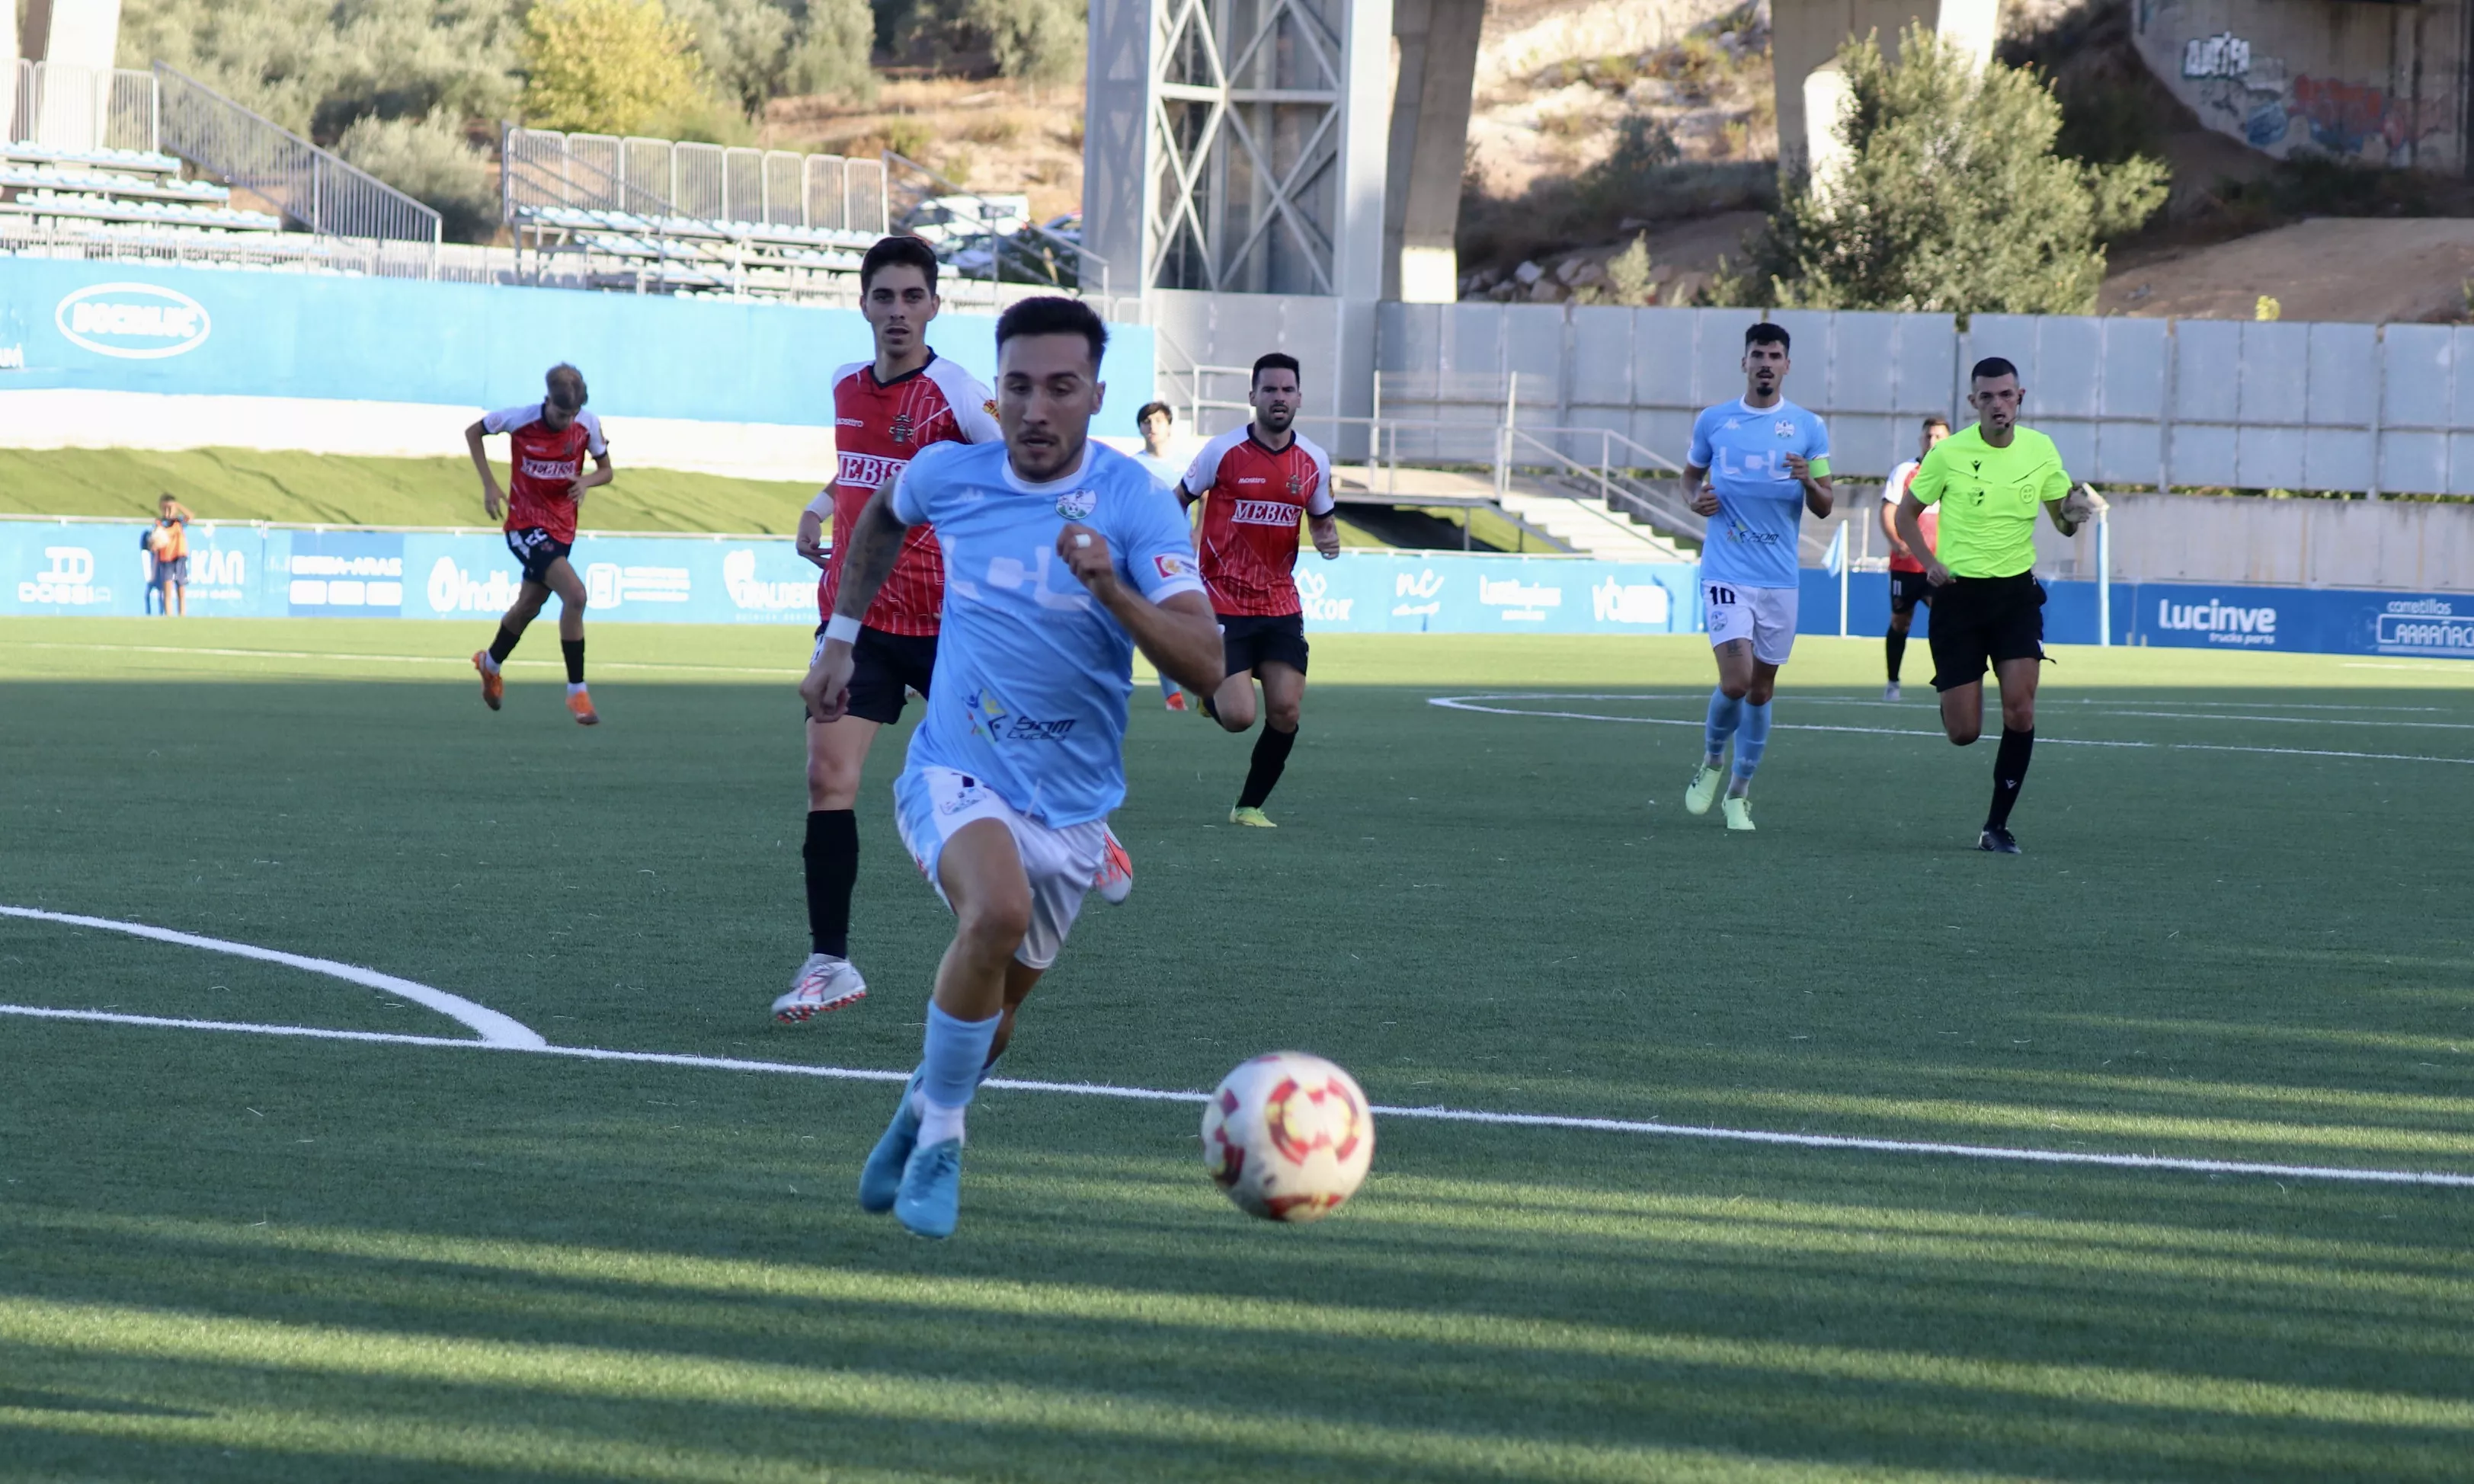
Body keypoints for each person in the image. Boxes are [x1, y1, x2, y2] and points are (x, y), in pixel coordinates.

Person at [801, 295, 1224, 1239]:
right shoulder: (950, 472)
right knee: (994, 912)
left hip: (1071, 807)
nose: (1036, 408)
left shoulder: (1133, 501)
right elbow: (878, 520)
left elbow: (1205, 664)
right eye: (1018, 386)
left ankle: (917, 1108)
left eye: (1060, 388)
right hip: (955, 769)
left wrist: (1109, 584)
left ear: (1096, 396)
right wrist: (840, 636)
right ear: (994, 391)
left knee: (992, 1018)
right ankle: (947, 1135)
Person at [775, 235, 1005, 1025]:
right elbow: (865, 466)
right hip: (857, 619)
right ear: (863, 303)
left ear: (935, 305)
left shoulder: (961, 394)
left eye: (913, 297)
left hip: (950, 623)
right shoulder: (845, 385)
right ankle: (828, 962)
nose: (898, 312)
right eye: (885, 297)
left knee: (997, 779)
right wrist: (817, 505)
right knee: (825, 778)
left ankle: (1073, 824)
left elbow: (1019, 470)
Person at [1896, 357, 2094, 855]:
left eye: (2006, 395)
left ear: (2019, 398)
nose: (1997, 405)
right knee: (1964, 732)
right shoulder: (1949, 454)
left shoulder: (2040, 450)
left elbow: (2061, 517)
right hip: (1958, 599)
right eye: (1987, 397)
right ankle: (1952, 698)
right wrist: (1927, 562)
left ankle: (1996, 827)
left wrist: (2074, 513)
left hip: (2014, 596)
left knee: (2020, 710)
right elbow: (1905, 514)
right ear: (1972, 403)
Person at [1680, 324, 1833, 833]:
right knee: (1736, 681)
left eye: (1774, 355)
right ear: (1743, 363)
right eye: (1757, 354)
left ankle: (1738, 795)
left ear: (1787, 365)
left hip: (1779, 579)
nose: (1765, 362)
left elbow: (1825, 503)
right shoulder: (1714, 421)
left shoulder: (1809, 427)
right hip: (1726, 570)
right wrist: (1693, 499)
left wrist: (1808, 479)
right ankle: (1710, 763)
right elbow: (1689, 476)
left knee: (1762, 692)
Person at [1178, 353, 1339, 828]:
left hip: (1279, 601)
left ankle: (1248, 806)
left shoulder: (1313, 461)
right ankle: (1210, 690)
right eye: (1269, 390)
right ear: (1252, 397)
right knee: (1239, 718)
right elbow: (1179, 499)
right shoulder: (1222, 452)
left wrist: (1327, 537)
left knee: (1287, 708)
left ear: (1299, 398)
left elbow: (1322, 518)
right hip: (1222, 601)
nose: (1279, 398)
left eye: (1287, 390)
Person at [467, 363, 612, 725]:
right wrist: (489, 483)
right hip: (525, 524)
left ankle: (490, 663)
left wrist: (587, 482)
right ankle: (577, 691)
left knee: (529, 605)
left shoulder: (588, 424)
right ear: (548, 401)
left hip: (562, 529)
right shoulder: (519, 420)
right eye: (562, 413)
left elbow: (607, 470)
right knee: (576, 596)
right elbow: (474, 432)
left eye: (573, 414)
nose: (567, 421)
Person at [1880, 416, 1951, 701]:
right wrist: (1896, 542)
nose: (1932, 441)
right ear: (1921, 440)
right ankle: (1893, 682)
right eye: (1928, 436)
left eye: (1938, 437)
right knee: (1901, 621)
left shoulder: (1955, 471)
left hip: (1942, 564)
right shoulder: (1905, 471)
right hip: (1907, 566)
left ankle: (1947, 680)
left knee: (1945, 620)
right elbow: (1888, 511)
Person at [1131, 399, 1190, 712]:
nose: (1152, 427)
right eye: (1146, 422)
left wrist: (1199, 533)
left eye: (1157, 421)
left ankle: (1206, 685)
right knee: (1140, 623)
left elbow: (1205, 496)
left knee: (1188, 624)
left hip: (1182, 558)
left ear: (1169, 426)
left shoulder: (1186, 467)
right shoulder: (1132, 466)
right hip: (1142, 556)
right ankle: (1172, 695)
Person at [142, 494, 192, 616]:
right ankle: (169, 615)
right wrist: (155, 544)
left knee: (181, 586)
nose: (168, 511)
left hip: (179, 556)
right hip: (166, 558)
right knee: (167, 588)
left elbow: (190, 516)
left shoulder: (178, 521)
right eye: (165, 508)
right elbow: (155, 541)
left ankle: (182, 614)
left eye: (171, 508)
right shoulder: (160, 523)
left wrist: (178, 506)